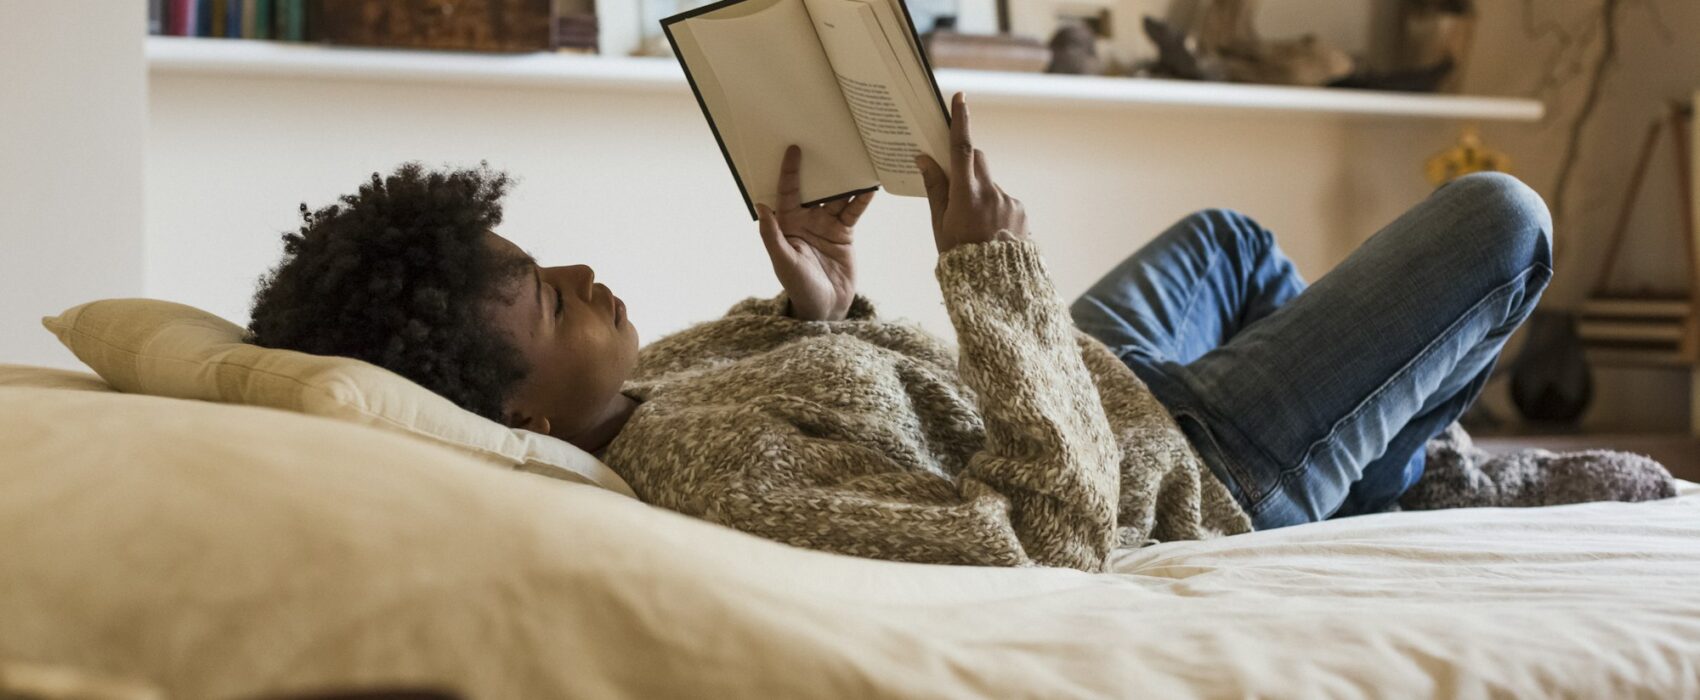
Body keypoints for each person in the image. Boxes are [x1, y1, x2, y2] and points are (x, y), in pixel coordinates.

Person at [248, 93, 1674, 572]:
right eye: (552, 299)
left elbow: (878, 386)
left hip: (1091, 378)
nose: (583, 269)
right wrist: (987, 274)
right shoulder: (716, 486)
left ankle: (1399, 455)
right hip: (1181, 463)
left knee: (1234, 244)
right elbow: (1047, 532)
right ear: (522, 419)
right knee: (1502, 222)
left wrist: (835, 296)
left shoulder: (649, 388)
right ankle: (1420, 474)